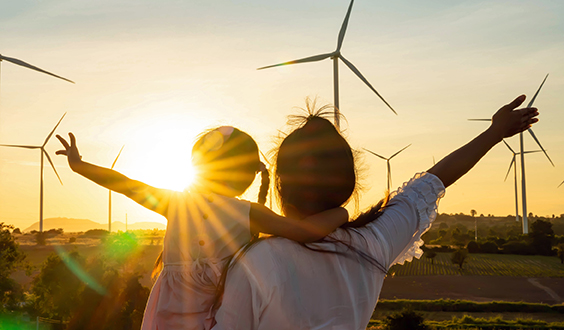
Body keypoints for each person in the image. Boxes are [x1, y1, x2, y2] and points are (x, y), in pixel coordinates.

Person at [212, 95, 539, 329]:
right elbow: (434, 181)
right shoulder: (373, 242)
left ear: (280, 184)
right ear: (350, 184)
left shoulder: (256, 263)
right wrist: (495, 133)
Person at [55, 126, 348, 330]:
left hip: (173, 314)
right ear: (246, 174)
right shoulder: (248, 213)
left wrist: (79, 165)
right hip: (218, 316)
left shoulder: (176, 202)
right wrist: (341, 213)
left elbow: (125, 185)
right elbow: (306, 232)